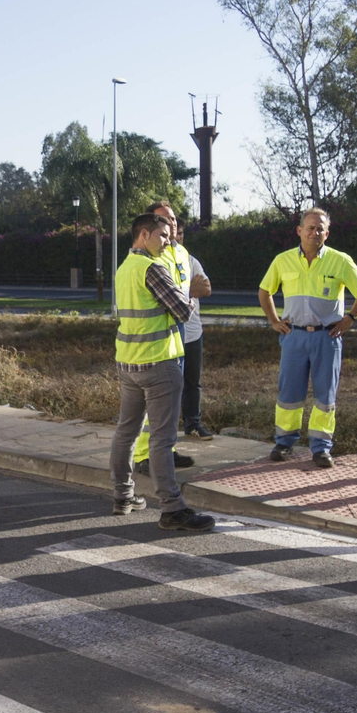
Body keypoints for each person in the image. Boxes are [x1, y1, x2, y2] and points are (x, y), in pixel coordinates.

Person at [109, 212, 216, 532]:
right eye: (163, 236)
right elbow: (182, 312)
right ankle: (171, 508)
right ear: (143, 235)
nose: (168, 241)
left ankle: (122, 496)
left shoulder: (124, 268)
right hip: (159, 364)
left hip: (128, 364)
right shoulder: (152, 268)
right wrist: (193, 293)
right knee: (161, 439)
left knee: (125, 432)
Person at [258, 208, 357, 468]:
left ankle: (321, 448)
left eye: (320, 228)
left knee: (325, 395)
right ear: (299, 231)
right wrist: (274, 321)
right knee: (289, 393)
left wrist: (350, 319)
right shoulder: (283, 260)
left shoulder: (340, 260)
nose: (315, 232)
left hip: (327, 338)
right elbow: (265, 290)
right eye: (310, 227)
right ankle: (284, 442)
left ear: (327, 233)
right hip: (294, 337)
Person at [130, 202, 212, 476]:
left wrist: (188, 291)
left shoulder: (183, 253)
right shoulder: (154, 256)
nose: (172, 224)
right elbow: (175, 297)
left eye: (174, 219)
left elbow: (203, 287)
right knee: (155, 407)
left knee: (172, 402)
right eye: (165, 220)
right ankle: (144, 456)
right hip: (159, 341)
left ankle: (168, 452)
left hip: (183, 334)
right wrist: (189, 291)